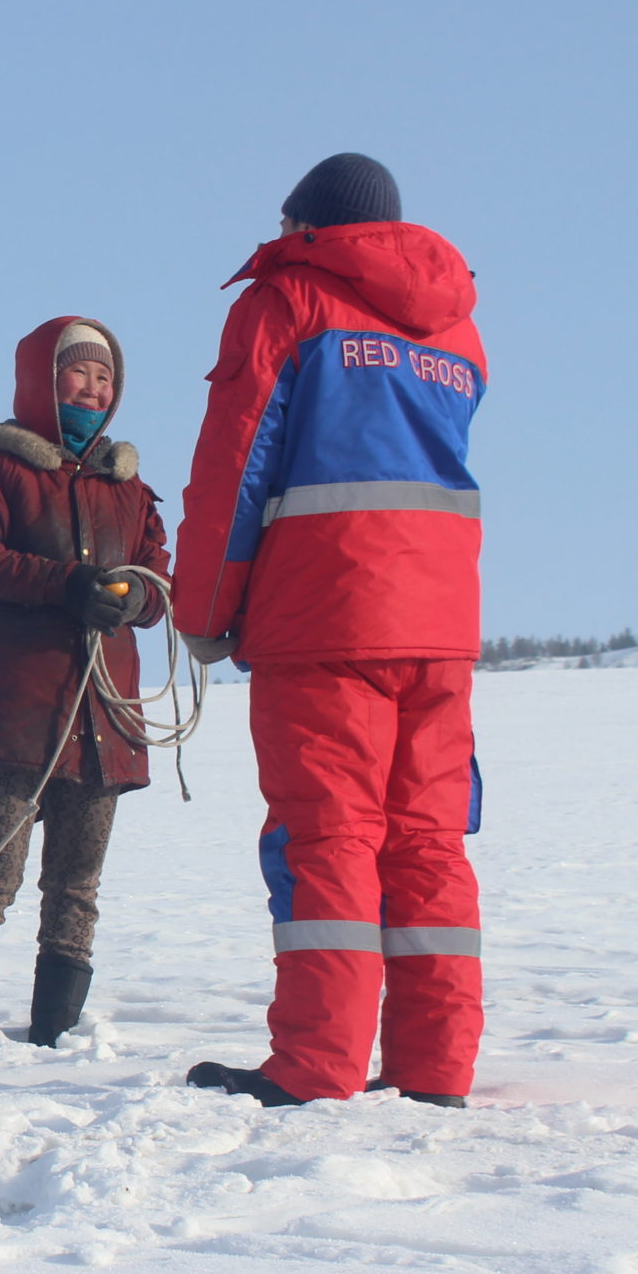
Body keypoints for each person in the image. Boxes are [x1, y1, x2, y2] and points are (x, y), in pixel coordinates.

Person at [171, 153, 487, 1109]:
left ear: (308, 223)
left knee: (330, 837)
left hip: (325, 614)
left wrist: (203, 609)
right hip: (441, 624)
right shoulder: (458, 326)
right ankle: (436, 1068)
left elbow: (237, 458)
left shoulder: (289, 300)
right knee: (427, 841)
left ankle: (317, 1065)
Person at [0, 317, 169, 1060]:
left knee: (76, 885)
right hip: (19, 716)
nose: (93, 388)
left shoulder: (129, 488)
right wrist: (68, 584)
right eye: (79, 372)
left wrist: (135, 598)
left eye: (105, 377)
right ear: (42, 378)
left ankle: (56, 1038)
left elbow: (164, 581)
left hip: (104, 717)